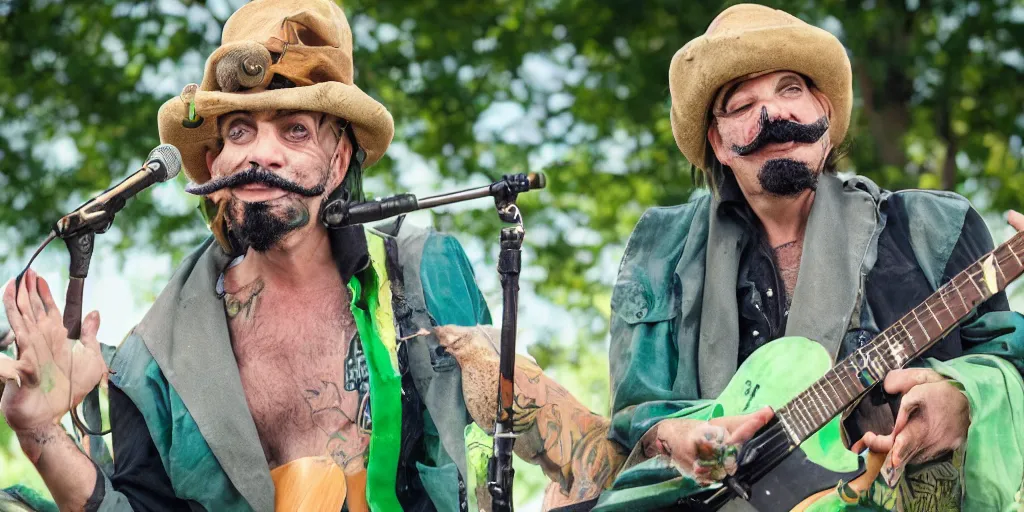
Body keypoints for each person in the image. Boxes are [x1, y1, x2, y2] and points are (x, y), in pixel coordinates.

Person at [0, 1, 496, 510]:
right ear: (213, 170)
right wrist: (41, 432)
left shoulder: (424, 274)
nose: (262, 153)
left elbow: (531, 439)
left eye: (294, 130)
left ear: (339, 160)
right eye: (240, 130)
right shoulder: (153, 359)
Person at [597, 4, 1024, 511]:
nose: (774, 114)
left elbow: (1009, 365)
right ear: (719, 142)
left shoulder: (935, 227)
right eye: (742, 104)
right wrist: (672, 436)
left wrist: (963, 399)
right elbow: (629, 421)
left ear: (824, 114)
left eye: (791, 90)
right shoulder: (661, 252)